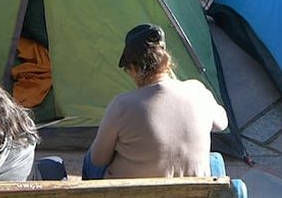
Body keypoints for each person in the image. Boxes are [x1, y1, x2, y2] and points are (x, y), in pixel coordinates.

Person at [83, 24, 229, 179]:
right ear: (167, 60)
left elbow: (98, 159)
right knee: (215, 160)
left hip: (133, 193)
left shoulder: (121, 105)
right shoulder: (197, 91)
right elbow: (222, 124)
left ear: (134, 68)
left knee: (90, 160)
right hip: (195, 193)